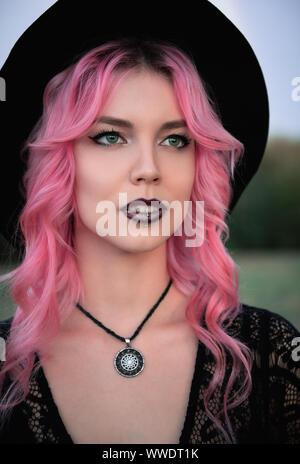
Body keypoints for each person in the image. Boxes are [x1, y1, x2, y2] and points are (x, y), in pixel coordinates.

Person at [0, 1, 299, 445]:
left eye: (175, 139)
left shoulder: (271, 354)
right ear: (59, 165)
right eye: (110, 136)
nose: (149, 168)